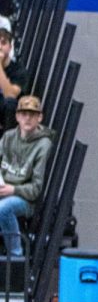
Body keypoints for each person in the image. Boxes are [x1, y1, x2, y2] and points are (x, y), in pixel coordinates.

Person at [0, 96, 52, 256]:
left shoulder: (43, 145)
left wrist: (13, 190)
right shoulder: (8, 137)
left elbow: (35, 189)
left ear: (40, 117)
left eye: (32, 114)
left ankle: (16, 256)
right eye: (24, 114)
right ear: (17, 116)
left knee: (3, 209)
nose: (27, 118)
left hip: (24, 199)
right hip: (4, 188)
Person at [0, 25, 30, 135]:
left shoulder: (19, 71)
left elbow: (10, 94)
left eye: (3, 43)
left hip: (7, 113)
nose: (0, 47)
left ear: (10, 47)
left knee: (10, 103)